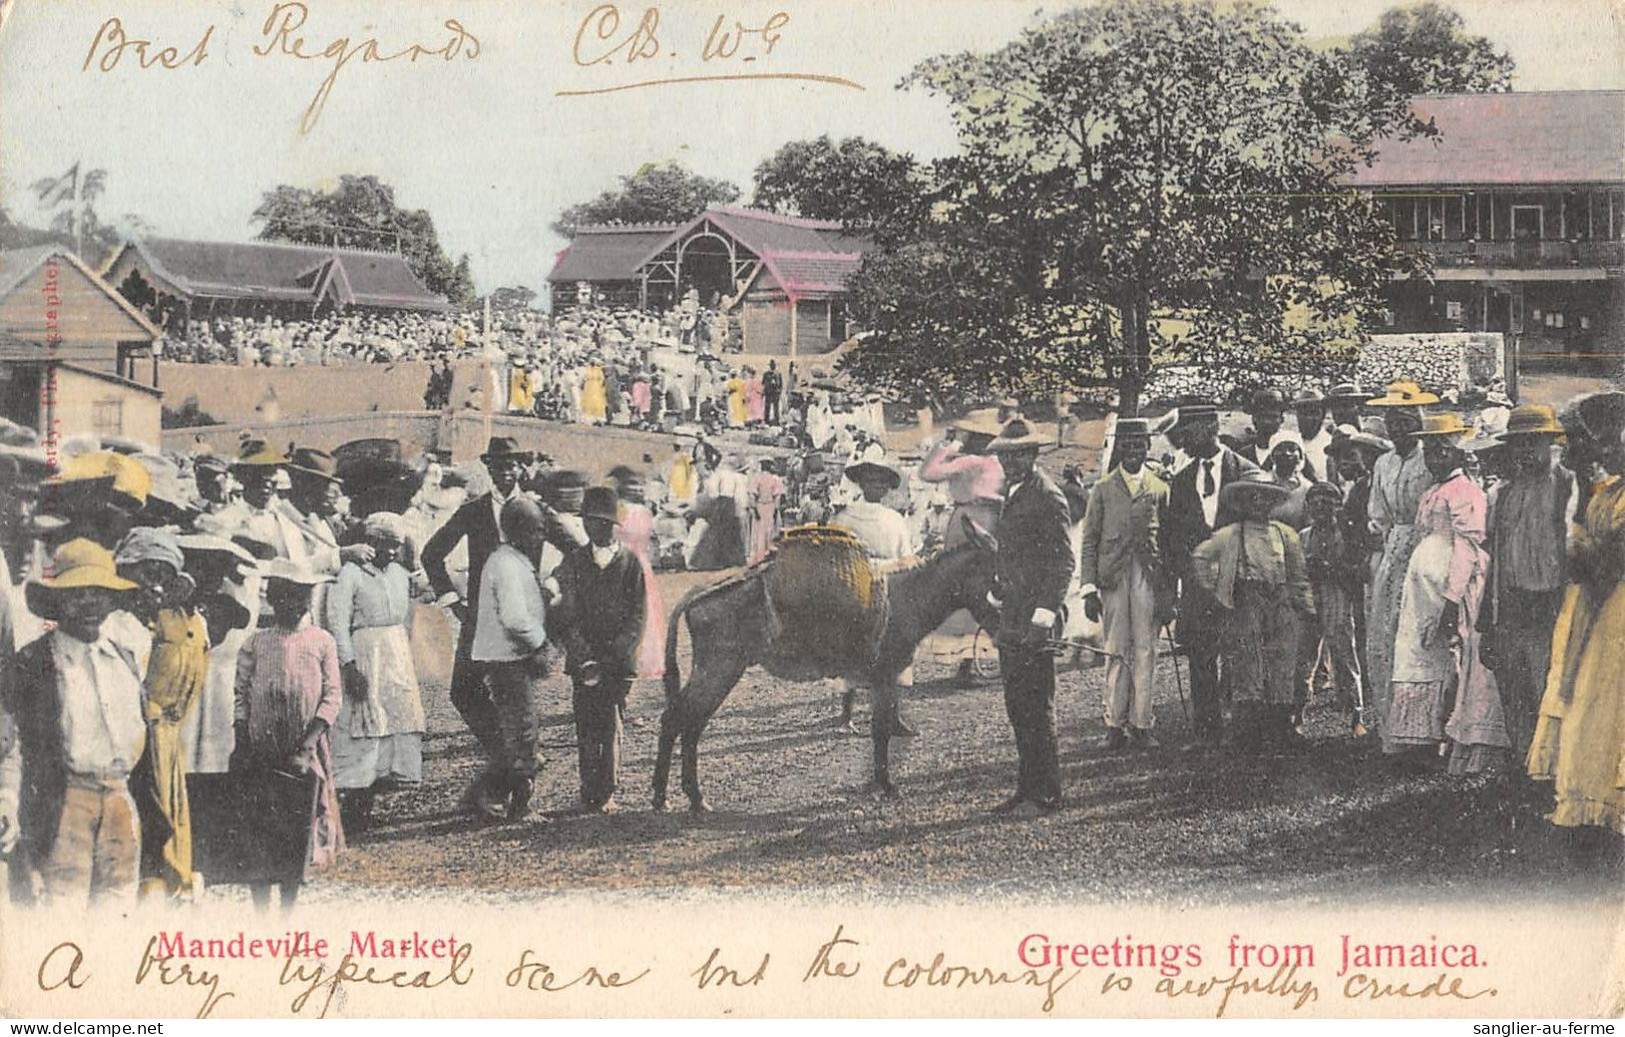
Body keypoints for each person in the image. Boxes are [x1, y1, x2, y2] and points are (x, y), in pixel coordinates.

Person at [8, 539, 147, 906]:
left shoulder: (124, 658)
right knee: (61, 907)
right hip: (64, 799)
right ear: (58, 600)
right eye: (77, 593)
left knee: (118, 907)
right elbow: (19, 744)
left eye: (97, 593)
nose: (88, 603)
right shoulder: (36, 662)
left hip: (119, 796)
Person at [1528, 401, 1625, 839]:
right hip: (1597, 601)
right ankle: (1594, 793)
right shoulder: (1607, 491)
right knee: (1593, 695)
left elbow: (1610, 561)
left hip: (1614, 599)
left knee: (1608, 692)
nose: (1611, 447)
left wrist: (1581, 552)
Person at [421, 437, 534, 814]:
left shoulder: (534, 509)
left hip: (518, 620)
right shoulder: (474, 510)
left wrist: (548, 591)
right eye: (497, 465)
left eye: (510, 464)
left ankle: (519, 794)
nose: (504, 471)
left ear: (521, 468)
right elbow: (431, 553)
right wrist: (454, 602)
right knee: (463, 692)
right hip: (479, 618)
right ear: (488, 469)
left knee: (516, 701)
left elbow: (571, 550)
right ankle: (507, 759)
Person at [1384, 414, 1500, 764]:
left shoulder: (1465, 491)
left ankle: (1449, 734)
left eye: (1442, 452)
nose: (1435, 460)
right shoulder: (1434, 491)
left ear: (1457, 454)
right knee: (1421, 652)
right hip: (1425, 589)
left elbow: (1468, 547)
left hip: (1451, 586)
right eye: (1430, 453)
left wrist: (1452, 599)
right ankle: (1422, 735)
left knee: (1451, 654)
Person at [232, 560, 344, 909]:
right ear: (273, 600)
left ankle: (288, 907)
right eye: (285, 597)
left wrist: (309, 743)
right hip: (264, 746)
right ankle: (261, 907)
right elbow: (241, 694)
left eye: (301, 597)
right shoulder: (257, 642)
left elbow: (331, 696)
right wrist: (242, 742)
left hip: (304, 747)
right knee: (261, 823)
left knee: (298, 823)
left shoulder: (321, 641)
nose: (293, 605)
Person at [1190, 474, 1315, 752]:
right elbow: (1200, 557)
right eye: (1252, 498)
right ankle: (1248, 730)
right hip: (1247, 602)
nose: (1259, 504)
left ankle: (1281, 726)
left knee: (1281, 660)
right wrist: (1218, 589)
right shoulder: (1231, 533)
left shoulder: (1285, 534)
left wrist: (1305, 605)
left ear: (1273, 502)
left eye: (1265, 498)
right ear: (1243, 503)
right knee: (1248, 662)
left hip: (1280, 601)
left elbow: (1298, 574)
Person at [987, 420, 1074, 816]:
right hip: (1013, 615)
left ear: (1034, 454)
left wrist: (1043, 616)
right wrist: (1000, 588)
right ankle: (1026, 789)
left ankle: (1048, 794)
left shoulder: (1048, 496)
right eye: (1005, 454)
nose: (1010, 461)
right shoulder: (1013, 492)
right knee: (1017, 705)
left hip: (1035, 619)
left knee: (1038, 706)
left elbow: (1062, 564)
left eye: (1018, 453)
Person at [114, 528, 206, 900]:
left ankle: (167, 889)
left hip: (162, 740)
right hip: (131, 740)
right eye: (147, 574)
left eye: (163, 577)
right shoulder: (114, 625)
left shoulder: (157, 626)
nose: (154, 587)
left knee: (169, 815)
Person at [1163, 404, 1262, 748]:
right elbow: (1171, 540)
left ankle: (1243, 730)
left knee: (1240, 655)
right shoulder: (1181, 480)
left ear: (1210, 426)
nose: (1182, 438)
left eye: (1188, 429)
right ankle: (1206, 732)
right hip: (1196, 588)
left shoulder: (1246, 472)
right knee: (1201, 658)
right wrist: (1172, 588)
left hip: (1239, 584)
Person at [1480, 405, 1576, 758]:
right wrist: (1486, 621)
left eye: (1533, 443)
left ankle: (1555, 767)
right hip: (1511, 605)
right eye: (1518, 444)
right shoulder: (1506, 493)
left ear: (1553, 445)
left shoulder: (1568, 486)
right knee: (1514, 688)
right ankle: (1525, 762)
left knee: (1549, 688)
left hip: (1551, 604)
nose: (1525, 452)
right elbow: (1497, 559)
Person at [327, 512, 426, 835]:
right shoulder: (351, 575)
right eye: (388, 546)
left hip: (394, 651)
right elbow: (338, 622)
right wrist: (349, 664)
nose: (394, 552)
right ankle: (354, 803)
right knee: (363, 723)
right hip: (365, 650)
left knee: (392, 722)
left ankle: (373, 799)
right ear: (372, 543)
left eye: (398, 546)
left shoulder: (399, 573)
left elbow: (422, 596)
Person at [552, 488, 647, 813]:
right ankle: (587, 788)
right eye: (591, 522)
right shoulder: (576, 562)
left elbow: (638, 615)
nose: (597, 528)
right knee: (585, 723)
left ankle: (606, 790)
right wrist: (582, 653)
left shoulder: (630, 563)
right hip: (584, 660)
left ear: (614, 526)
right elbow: (567, 613)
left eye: (604, 523)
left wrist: (615, 654)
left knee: (610, 722)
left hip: (618, 662)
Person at [1078, 419, 1168, 751]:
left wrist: (1168, 592)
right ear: (1120, 447)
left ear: (1148, 447)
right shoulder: (1102, 488)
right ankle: (1114, 724)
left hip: (1148, 576)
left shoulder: (1160, 488)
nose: (1134, 450)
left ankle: (1141, 723)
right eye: (1128, 444)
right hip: (1113, 578)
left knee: (1146, 650)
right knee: (1116, 649)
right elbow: (1089, 541)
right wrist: (1088, 588)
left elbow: (1167, 543)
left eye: (1140, 444)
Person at [469, 497, 552, 821]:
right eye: (535, 530)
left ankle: (494, 794)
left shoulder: (512, 560)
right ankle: (515, 804)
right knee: (522, 731)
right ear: (517, 530)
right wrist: (541, 643)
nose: (540, 537)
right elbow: (516, 619)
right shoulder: (505, 564)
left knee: (519, 729)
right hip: (507, 659)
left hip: (509, 657)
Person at [1363, 381, 1438, 739]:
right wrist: (1383, 540)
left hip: (1428, 546)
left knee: (1420, 634)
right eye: (1393, 420)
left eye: (1407, 418)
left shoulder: (1432, 457)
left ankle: (1427, 726)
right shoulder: (1383, 462)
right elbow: (1378, 513)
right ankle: (1392, 725)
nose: (1400, 427)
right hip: (1394, 549)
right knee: (1387, 633)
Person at [832, 461, 919, 733]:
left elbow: (906, 557)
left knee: (892, 647)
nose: (876, 487)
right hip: (856, 585)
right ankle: (845, 717)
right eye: (871, 482)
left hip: (888, 585)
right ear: (862, 484)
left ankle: (891, 716)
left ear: (886, 489)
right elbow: (835, 553)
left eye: (881, 483)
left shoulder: (894, 518)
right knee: (853, 646)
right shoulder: (845, 517)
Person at [1301, 480, 1368, 735]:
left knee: (1344, 652)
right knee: (1305, 654)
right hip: (1309, 596)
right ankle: (1299, 713)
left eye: (1327, 499)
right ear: (1308, 506)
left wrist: (1329, 568)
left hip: (1337, 595)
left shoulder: (1346, 535)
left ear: (1338, 505)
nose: (1321, 505)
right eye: (1315, 500)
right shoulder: (1304, 536)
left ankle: (1356, 715)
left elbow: (1355, 571)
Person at [918, 423, 1005, 547]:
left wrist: (947, 445)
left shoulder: (969, 462)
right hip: (992, 517)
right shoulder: (998, 462)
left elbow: (926, 473)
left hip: (966, 516)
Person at [747, 457, 786, 566]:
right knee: (770, 530)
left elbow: (752, 495)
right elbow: (777, 497)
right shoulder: (775, 479)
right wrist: (776, 511)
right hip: (770, 506)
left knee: (758, 531)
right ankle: (767, 555)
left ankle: (758, 557)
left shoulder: (756, 478)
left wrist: (754, 509)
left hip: (760, 505)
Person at [1291, 389, 1333, 482]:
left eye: (1314, 413)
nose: (1308, 418)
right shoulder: (1291, 443)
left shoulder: (1331, 444)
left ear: (1323, 415)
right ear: (1297, 415)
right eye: (1303, 413)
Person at [763, 361, 784, 426]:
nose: (773, 366)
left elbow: (781, 384)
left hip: (775, 392)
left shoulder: (778, 374)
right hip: (769, 392)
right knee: (767, 407)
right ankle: (766, 420)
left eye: (773, 365)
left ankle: (776, 420)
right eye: (771, 365)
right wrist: (766, 389)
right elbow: (763, 382)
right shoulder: (766, 374)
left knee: (776, 407)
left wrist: (779, 391)